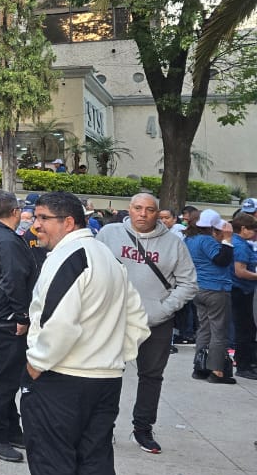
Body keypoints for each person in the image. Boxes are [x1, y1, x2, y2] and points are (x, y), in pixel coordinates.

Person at [14, 192, 149, 475]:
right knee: (96, 466)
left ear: (68, 222)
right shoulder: (109, 259)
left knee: (55, 466)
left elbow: (57, 324)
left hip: (64, 380)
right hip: (102, 380)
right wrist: (111, 358)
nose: (35, 225)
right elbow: (137, 322)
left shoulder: (70, 257)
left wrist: (34, 366)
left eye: (42, 218)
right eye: (35, 217)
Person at [95, 193, 197, 452]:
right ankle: (102, 427)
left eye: (149, 209)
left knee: (151, 376)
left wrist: (162, 310)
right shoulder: (109, 234)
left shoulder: (173, 244)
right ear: (129, 209)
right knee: (106, 374)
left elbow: (188, 283)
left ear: (158, 213)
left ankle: (143, 428)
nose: (143, 214)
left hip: (156, 322)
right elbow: (92, 269)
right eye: (138, 208)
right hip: (114, 319)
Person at [0, 190, 38, 463]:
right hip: (6, 317)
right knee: (5, 379)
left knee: (11, 376)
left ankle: (11, 429)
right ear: (15, 212)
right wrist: (21, 315)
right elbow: (14, 279)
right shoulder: (6, 240)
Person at [184, 209, 235, 383]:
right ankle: (217, 371)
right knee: (219, 332)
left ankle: (200, 367)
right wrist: (227, 240)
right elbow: (222, 260)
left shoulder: (190, 239)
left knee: (204, 329)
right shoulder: (206, 240)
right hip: (216, 289)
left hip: (199, 288)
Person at [231, 214, 257, 379]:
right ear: (243, 229)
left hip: (242, 290)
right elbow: (240, 271)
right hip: (241, 290)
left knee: (247, 328)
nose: (254, 233)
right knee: (244, 329)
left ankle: (246, 363)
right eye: (252, 229)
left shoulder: (238, 242)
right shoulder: (240, 246)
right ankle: (243, 366)